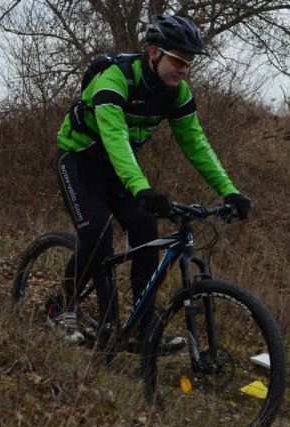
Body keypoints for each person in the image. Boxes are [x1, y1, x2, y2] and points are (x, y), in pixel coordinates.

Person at [48, 14, 251, 344]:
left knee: (145, 231)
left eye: (189, 63)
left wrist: (229, 191)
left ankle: (142, 325)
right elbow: (114, 136)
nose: (184, 70)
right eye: (178, 61)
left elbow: (196, 143)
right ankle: (62, 307)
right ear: (154, 52)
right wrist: (142, 188)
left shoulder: (176, 92)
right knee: (97, 235)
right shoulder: (114, 80)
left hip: (118, 170)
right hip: (79, 161)